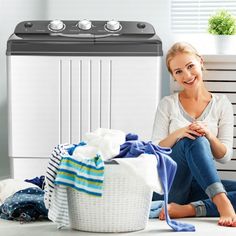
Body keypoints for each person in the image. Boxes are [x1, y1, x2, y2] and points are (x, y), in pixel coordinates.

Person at [152, 42, 236, 227]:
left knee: (200, 137)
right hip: (170, 184)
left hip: (200, 184)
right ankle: (222, 203)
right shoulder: (168, 104)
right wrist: (181, 133)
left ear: (200, 62)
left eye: (190, 66)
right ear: (173, 76)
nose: (187, 75)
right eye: (178, 71)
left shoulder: (222, 104)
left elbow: (225, 156)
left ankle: (189, 209)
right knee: (193, 139)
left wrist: (209, 135)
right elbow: (155, 150)